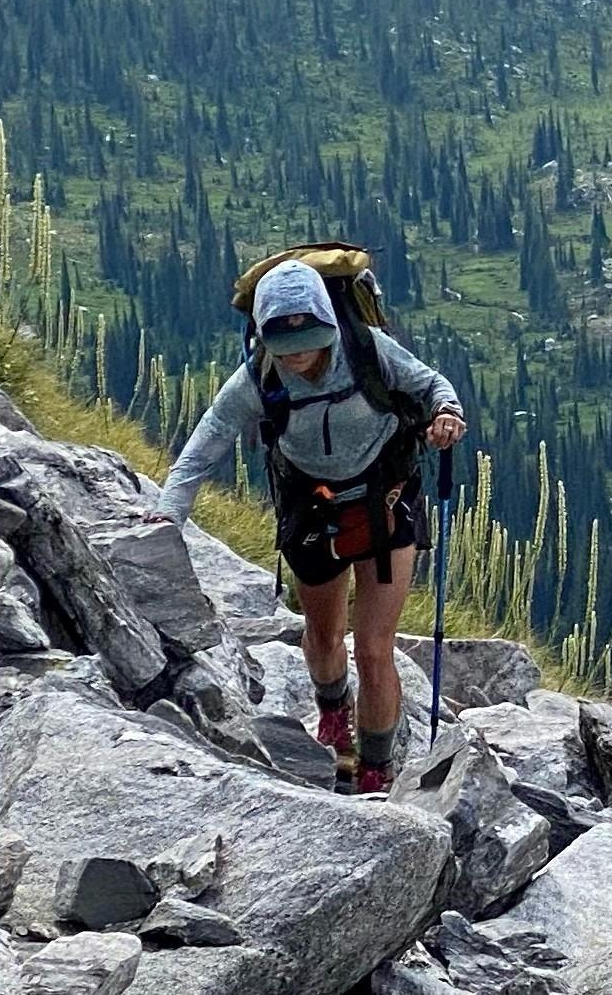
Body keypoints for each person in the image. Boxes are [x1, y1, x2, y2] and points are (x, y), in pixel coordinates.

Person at [160, 259, 465, 792]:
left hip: (386, 499)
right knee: (323, 635)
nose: (298, 355)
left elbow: (431, 383)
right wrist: (166, 515)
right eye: (284, 344)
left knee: (373, 645)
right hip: (312, 509)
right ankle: (332, 705)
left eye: (310, 340)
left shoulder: (368, 351)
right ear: (264, 338)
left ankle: (374, 769)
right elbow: (202, 449)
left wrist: (446, 412)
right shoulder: (256, 379)